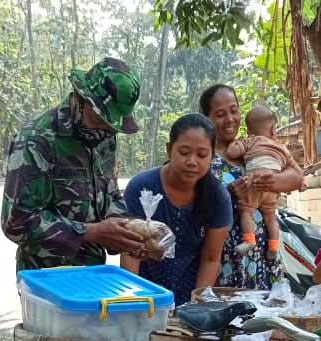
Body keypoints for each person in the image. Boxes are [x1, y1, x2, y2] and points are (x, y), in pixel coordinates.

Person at [1, 57, 146, 272]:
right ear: (80, 98)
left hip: (93, 272)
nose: (106, 131)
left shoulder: (104, 136)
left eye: (111, 126)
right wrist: (92, 232)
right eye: (100, 120)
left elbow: (111, 194)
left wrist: (125, 230)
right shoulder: (38, 140)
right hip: (45, 278)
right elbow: (17, 223)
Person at [199, 84, 305, 290]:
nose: (230, 119)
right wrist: (227, 198)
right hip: (225, 260)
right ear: (207, 119)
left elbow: (295, 177)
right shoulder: (204, 158)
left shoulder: (254, 146)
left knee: (263, 318)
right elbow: (195, 210)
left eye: (234, 110)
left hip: (264, 258)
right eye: (220, 114)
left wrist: (270, 182)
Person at [119, 114, 233, 305]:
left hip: (189, 292)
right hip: (143, 291)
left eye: (202, 154)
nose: (192, 161)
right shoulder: (142, 188)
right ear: (169, 149)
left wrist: (196, 306)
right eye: (184, 152)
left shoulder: (218, 197)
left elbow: (211, 259)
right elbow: (130, 251)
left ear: (212, 156)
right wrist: (133, 302)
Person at [225, 105, 300, 260]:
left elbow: (232, 152)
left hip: (254, 183)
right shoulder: (281, 148)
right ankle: (273, 247)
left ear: (248, 131)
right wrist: (302, 182)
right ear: (273, 130)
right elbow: (295, 168)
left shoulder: (252, 140)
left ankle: (249, 240)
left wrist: (239, 142)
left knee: (246, 211)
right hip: (272, 191)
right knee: (271, 218)